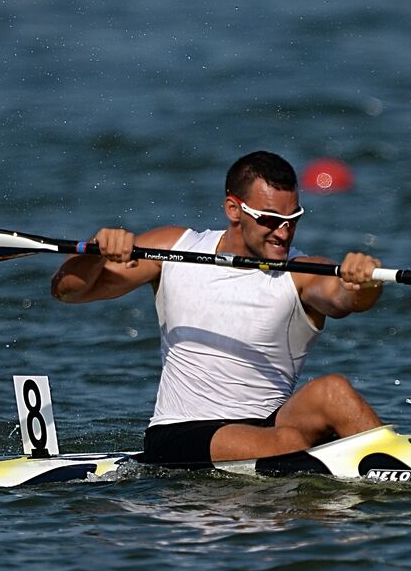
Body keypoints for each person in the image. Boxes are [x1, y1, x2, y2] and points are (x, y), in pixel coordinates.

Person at [51, 150, 385, 465]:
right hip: (181, 434)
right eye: (270, 220)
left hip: (269, 426)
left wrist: (364, 284)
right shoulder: (172, 248)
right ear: (233, 209)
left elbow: (346, 301)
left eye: (292, 219)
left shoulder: (303, 272)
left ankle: (395, 464)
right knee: (290, 445)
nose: (283, 233)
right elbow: (68, 291)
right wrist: (95, 251)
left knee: (333, 390)